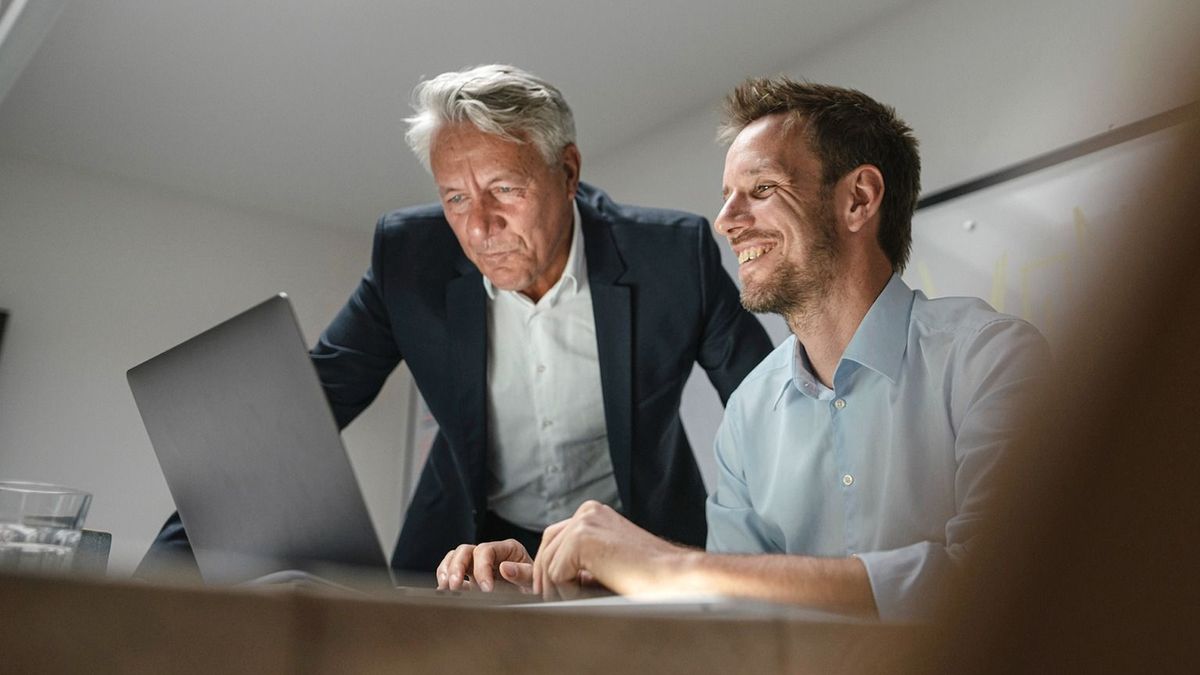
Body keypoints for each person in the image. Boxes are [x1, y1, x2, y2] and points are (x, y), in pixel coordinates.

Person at [439, 77, 1050, 620]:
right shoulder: (749, 414)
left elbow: (1000, 583)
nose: (726, 220)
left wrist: (667, 565)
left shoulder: (990, 361)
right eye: (727, 195)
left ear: (859, 199)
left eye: (760, 188)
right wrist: (564, 587)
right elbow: (732, 616)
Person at [138, 64, 772, 577]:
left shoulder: (673, 255)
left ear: (569, 171)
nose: (479, 228)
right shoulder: (408, 258)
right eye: (456, 198)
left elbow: (769, 414)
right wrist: (157, 580)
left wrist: (791, 570)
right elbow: (291, 424)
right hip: (462, 546)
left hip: (635, 537)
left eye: (504, 190)